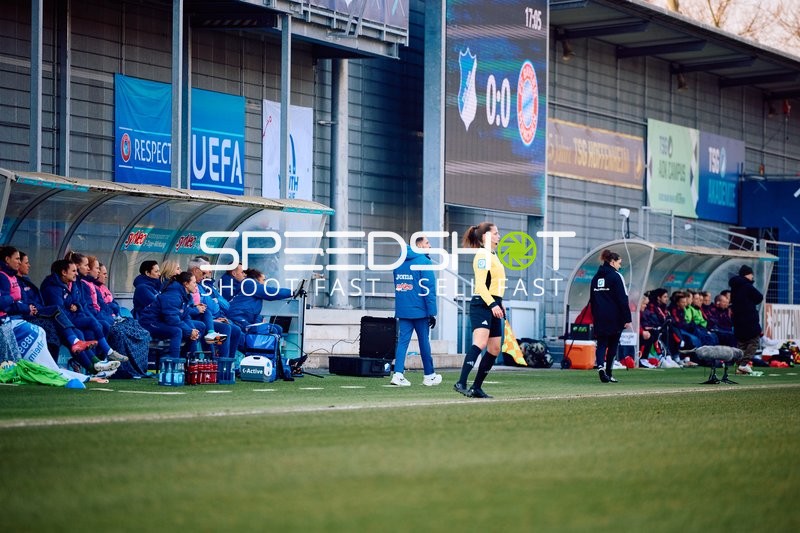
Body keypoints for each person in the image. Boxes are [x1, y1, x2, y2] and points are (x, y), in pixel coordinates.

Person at [40, 259, 124, 375]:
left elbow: (78, 302)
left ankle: (96, 366)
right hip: (61, 321)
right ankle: (101, 360)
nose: (76, 273)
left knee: (82, 333)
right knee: (91, 324)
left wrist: (75, 306)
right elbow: (59, 311)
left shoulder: (70, 284)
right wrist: (72, 306)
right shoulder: (53, 287)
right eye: (73, 270)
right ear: (64, 272)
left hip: (71, 318)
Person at [454, 222, 504, 399]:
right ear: (485, 237)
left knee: (495, 348)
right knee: (480, 343)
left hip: (494, 303)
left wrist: (499, 303)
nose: (499, 236)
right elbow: (481, 286)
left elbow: (495, 284)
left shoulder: (493, 255)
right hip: (482, 304)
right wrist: (492, 304)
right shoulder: (482, 256)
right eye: (495, 233)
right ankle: (461, 382)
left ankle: (476, 387)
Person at [390, 235, 441, 387]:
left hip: (403, 309)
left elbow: (398, 285)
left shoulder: (399, 262)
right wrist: (432, 312)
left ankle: (398, 374)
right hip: (420, 310)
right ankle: (429, 375)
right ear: (419, 245)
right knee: (424, 342)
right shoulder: (425, 262)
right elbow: (429, 290)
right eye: (427, 243)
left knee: (402, 343)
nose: (430, 246)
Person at [138, 271, 204, 360]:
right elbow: (172, 319)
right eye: (194, 282)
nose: (196, 285)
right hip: (150, 322)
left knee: (198, 328)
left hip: (163, 321)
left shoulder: (186, 296)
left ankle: (189, 361)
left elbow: (185, 316)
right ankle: (174, 364)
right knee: (177, 331)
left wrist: (192, 331)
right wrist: (189, 331)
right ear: (186, 284)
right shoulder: (173, 295)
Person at [589, 249, 631, 383]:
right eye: (619, 263)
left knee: (601, 344)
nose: (620, 266)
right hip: (615, 317)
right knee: (613, 345)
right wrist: (627, 318)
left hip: (600, 316)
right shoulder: (617, 276)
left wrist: (595, 315)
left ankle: (600, 367)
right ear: (612, 262)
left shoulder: (595, 278)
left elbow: (592, 299)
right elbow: (623, 298)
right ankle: (609, 372)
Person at [226, 269, 293, 330]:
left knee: (277, 329)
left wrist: (260, 321)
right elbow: (271, 292)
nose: (264, 283)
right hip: (238, 318)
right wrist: (292, 292)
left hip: (244, 317)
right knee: (268, 330)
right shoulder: (250, 284)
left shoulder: (250, 286)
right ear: (256, 279)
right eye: (263, 280)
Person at [729, 265, 763, 375]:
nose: (753, 276)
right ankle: (744, 364)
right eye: (751, 274)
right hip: (749, 319)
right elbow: (759, 297)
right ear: (747, 274)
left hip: (738, 319)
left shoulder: (734, 287)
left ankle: (739, 366)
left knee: (742, 343)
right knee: (754, 341)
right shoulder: (747, 286)